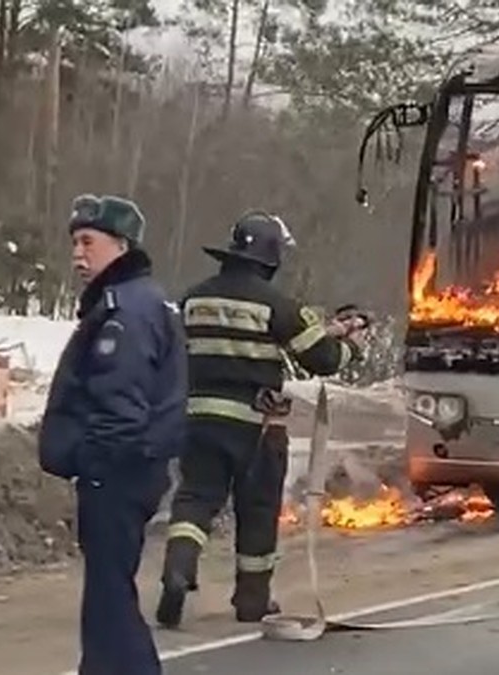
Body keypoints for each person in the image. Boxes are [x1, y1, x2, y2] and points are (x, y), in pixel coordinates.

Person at [155, 211, 366, 629]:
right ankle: (252, 601)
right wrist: (351, 346)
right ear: (271, 258)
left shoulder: (194, 299)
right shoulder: (279, 306)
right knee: (257, 509)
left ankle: (177, 570)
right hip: (256, 426)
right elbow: (321, 359)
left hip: (199, 417)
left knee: (196, 498)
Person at [38, 194, 186, 675]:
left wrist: (94, 463)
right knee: (107, 597)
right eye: (74, 243)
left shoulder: (126, 312)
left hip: (118, 471)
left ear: (121, 245)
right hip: (131, 467)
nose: (77, 254)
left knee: (109, 600)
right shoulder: (139, 301)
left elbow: (121, 403)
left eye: (88, 242)